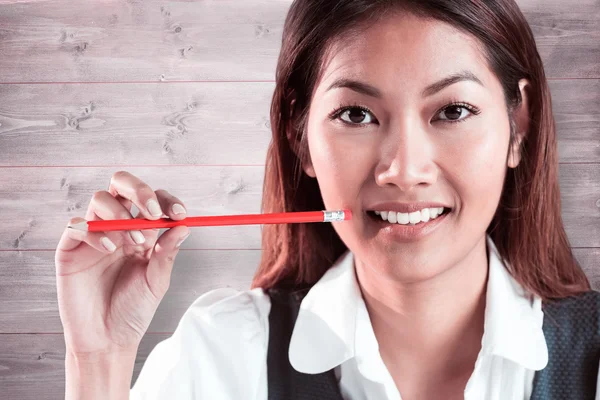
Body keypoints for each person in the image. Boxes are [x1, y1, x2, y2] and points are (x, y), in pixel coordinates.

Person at [55, 0, 600, 399]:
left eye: (452, 111)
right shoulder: (222, 357)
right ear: (300, 138)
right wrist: (98, 358)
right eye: (356, 115)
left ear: (518, 124)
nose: (404, 171)